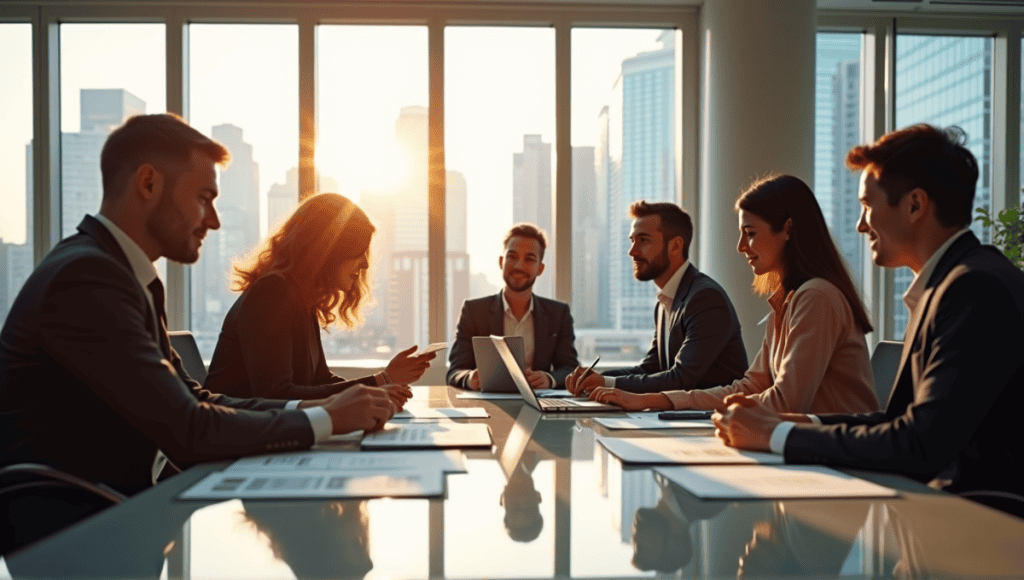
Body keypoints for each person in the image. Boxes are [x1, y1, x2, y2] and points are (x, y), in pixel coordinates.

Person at [0, 114, 395, 549]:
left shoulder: (122, 275)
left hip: (123, 513)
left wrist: (323, 411)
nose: (214, 221)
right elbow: (188, 429)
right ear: (148, 184)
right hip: (78, 536)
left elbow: (197, 400)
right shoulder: (88, 277)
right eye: (204, 198)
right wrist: (325, 418)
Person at [712, 125, 1024, 512]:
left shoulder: (973, 290)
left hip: (980, 530)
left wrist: (779, 435)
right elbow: (901, 422)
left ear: (914, 206)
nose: (860, 225)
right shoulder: (950, 284)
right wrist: (803, 424)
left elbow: (918, 444)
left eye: (866, 205)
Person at [587, 176, 878, 415]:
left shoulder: (816, 298)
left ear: (787, 229)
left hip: (836, 465)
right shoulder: (786, 301)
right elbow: (750, 387)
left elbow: (787, 402)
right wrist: (654, 399)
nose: (741, 246)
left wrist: (656, 399)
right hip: (805, 451)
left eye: (749, 233)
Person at [204, 193, 432, 404]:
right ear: (331, 249)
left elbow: (319, 381)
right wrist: (381, 382)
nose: (365, 264)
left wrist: (382, 385)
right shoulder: (272, 293)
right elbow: (277, 395)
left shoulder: (299, 298)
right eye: (358, 251)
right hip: (243, 442)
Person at [566, 201, 748, 396]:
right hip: (679, 420)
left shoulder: (705, 298)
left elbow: (681, 379)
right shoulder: (665, 302)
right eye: (632, 240)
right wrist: (595, 378)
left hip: (715, 421)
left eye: (643, 240)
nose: (632, 251)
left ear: (675, 246)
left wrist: (607, 382)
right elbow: (651, 369)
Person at [447, 223, 579, 390]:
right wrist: (469, 378)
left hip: (538, 405)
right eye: (512, 257)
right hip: (487, 407)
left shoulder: (558, 314)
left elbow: (570, 369)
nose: (518, 265)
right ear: (501, 261)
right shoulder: (474, 311)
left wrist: (549, 378)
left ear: (540, 268)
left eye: (529, 259)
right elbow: (455, 371)